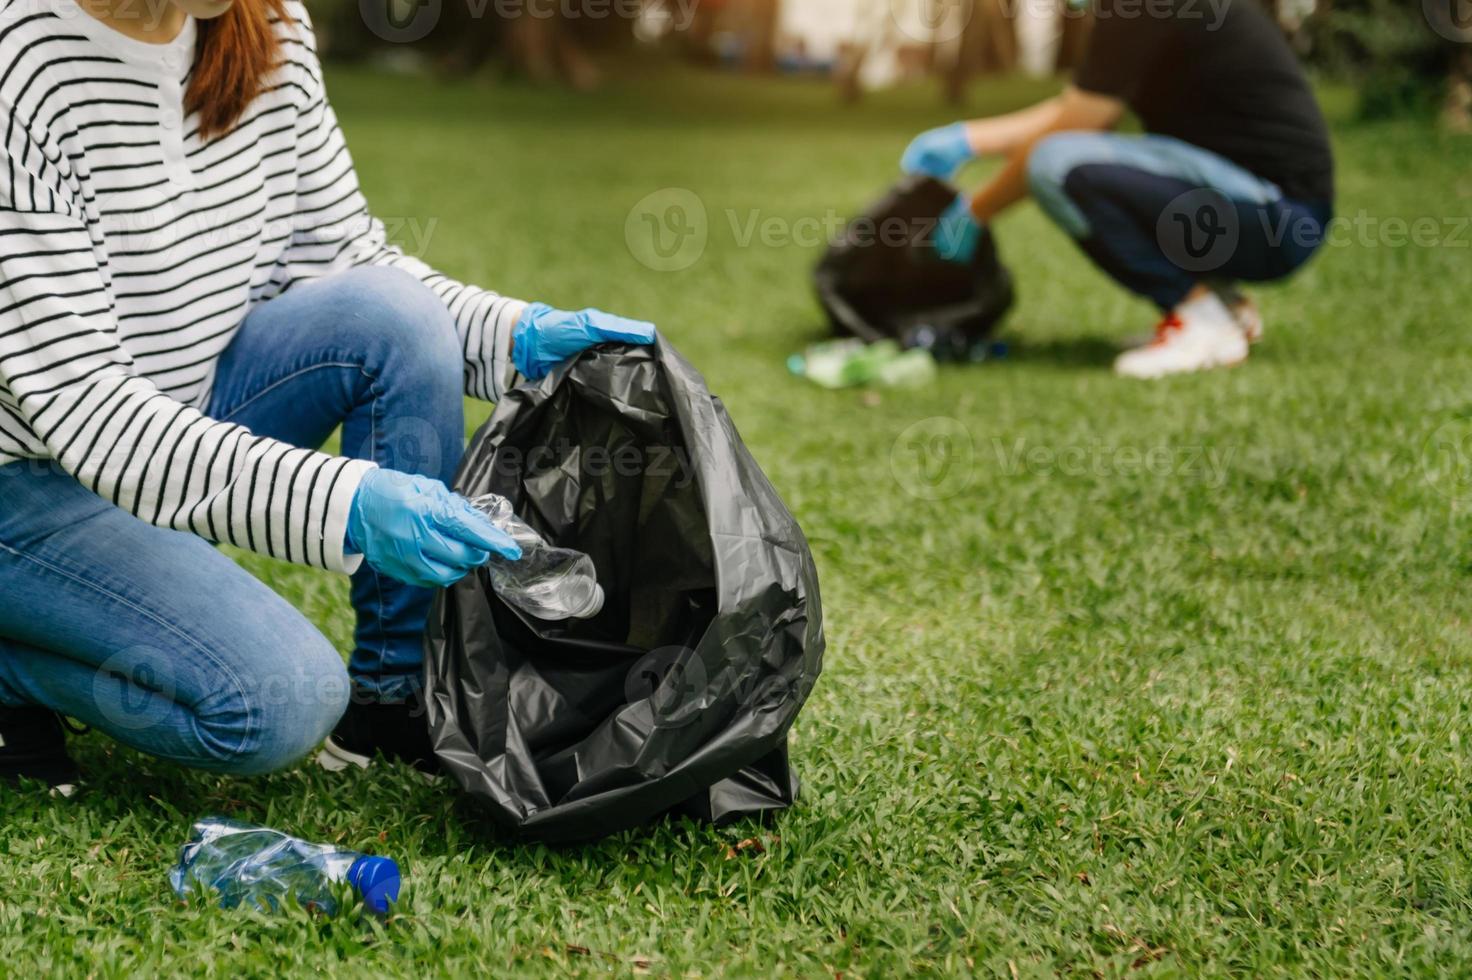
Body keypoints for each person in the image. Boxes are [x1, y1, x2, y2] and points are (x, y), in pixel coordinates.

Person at [0, 0, 656, 791]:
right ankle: (12, 673)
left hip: (176, 414)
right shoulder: (19, 65)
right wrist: (349, 503)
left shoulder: (266, 24)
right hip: (30, 477)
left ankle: (391, 698)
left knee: (396, 315)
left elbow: (346, 261)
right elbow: (90, 411)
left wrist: (513, 335)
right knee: (278, 702)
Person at [901, 0, 1335, 378]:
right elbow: (1080, 106)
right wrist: (969, 140)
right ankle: (1225, 309)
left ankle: (1201, 320)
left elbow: (1079, 126)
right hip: (1273, 208)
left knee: (1057, 167)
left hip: (1275, 214)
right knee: (1066, 158)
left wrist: (976, 210)